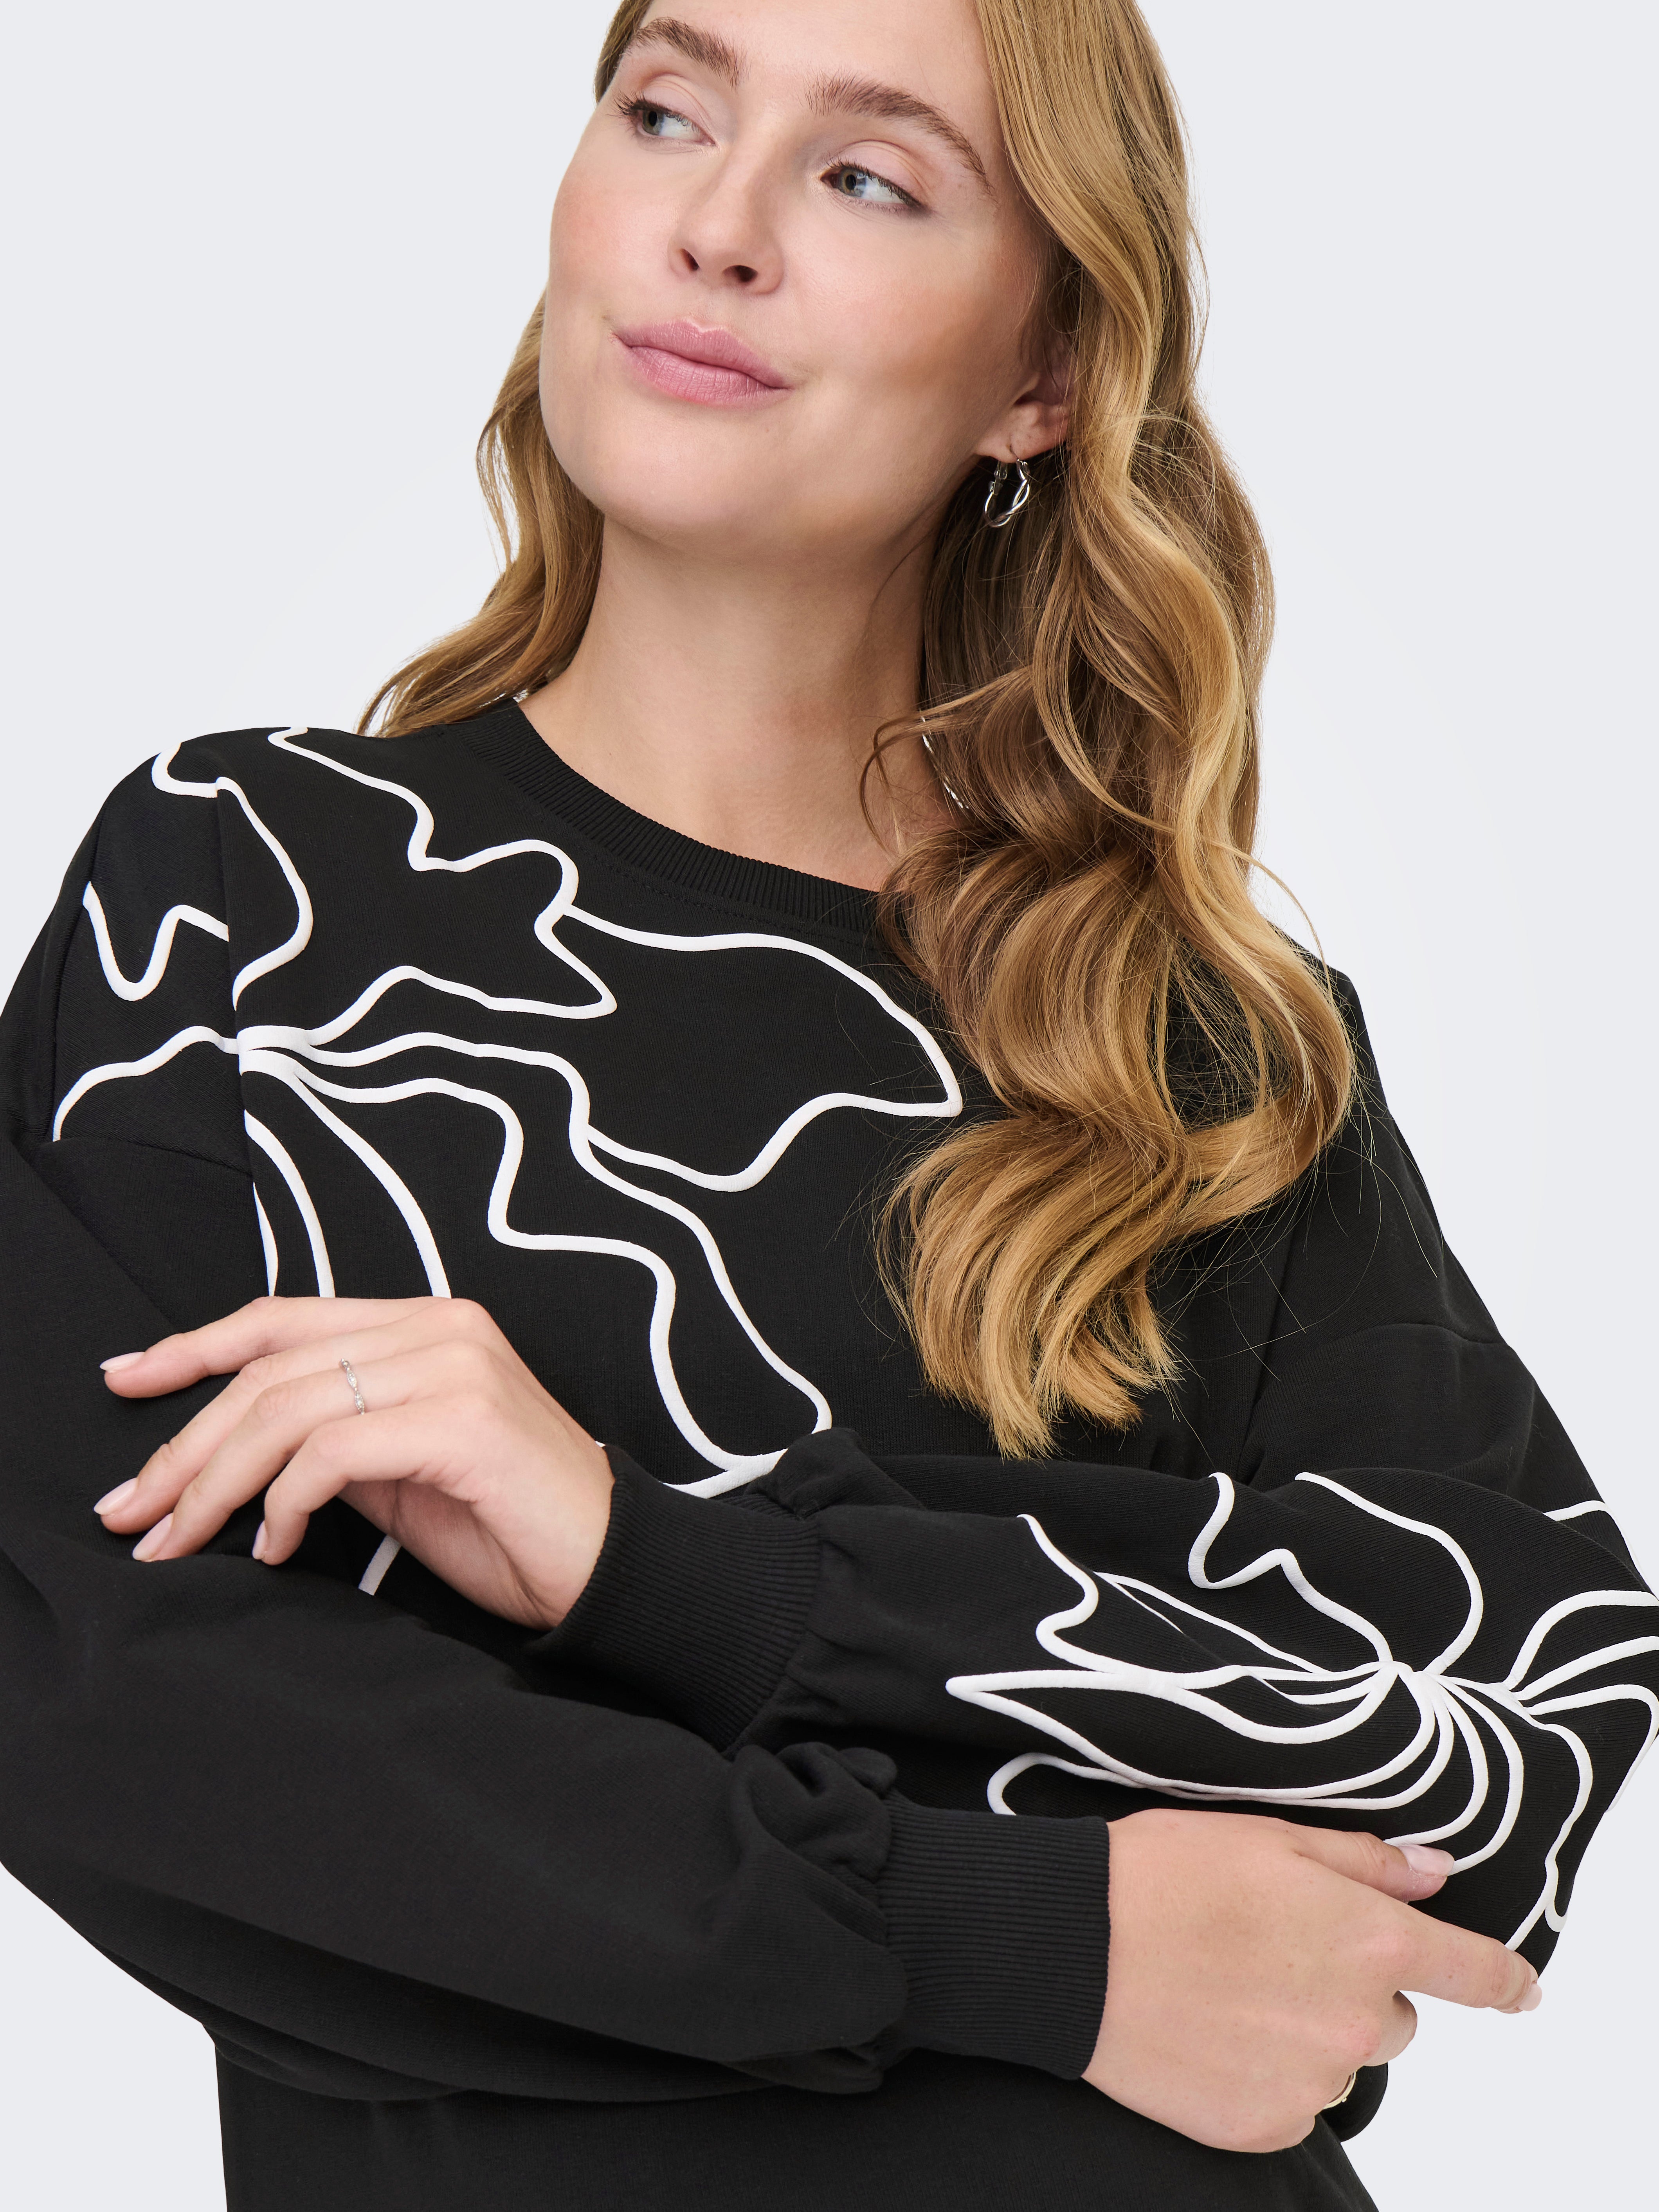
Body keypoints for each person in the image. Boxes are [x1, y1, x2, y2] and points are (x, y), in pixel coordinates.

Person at [1, 1, 1653, 2207]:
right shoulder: (243, 896)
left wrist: (653, 1564)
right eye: (666, 110)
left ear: (1041, 373)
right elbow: (130, 1721)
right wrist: (1038, 1938)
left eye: (869, 177)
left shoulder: (1201, 1052)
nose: (718, 225)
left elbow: (1504, 1743)